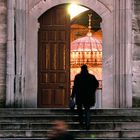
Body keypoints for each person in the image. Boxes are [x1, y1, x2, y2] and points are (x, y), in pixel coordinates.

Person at [71, 64, 99, 129]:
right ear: (87, 69)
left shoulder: (77, 76)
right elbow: (96, 84)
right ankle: (87, 125)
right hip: (88, 96)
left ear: (81, 69)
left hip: (80, 96)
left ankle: (81, 122)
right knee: (87, 110)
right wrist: (92, 91)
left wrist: (72, 96)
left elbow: (75, 87)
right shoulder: (91, 76)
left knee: (80, 110)